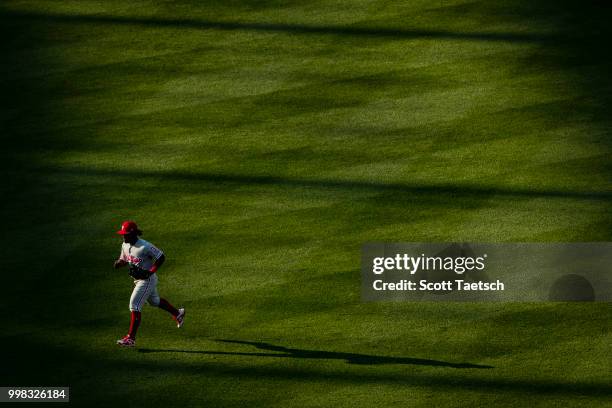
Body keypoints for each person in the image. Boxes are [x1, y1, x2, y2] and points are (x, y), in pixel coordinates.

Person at [113, 220, 185, 347]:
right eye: (122, 234)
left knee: (134, 305)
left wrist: (150, 272)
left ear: (133, 233)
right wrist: (120, 263)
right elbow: (125, 259)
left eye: (125, 234)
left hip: (147, 280)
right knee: (154, 301)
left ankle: (130, 338)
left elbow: (161, 257)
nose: (123, 236)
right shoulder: (125, 245)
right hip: (138, 280)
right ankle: (177, 313)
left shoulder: (144, 246)